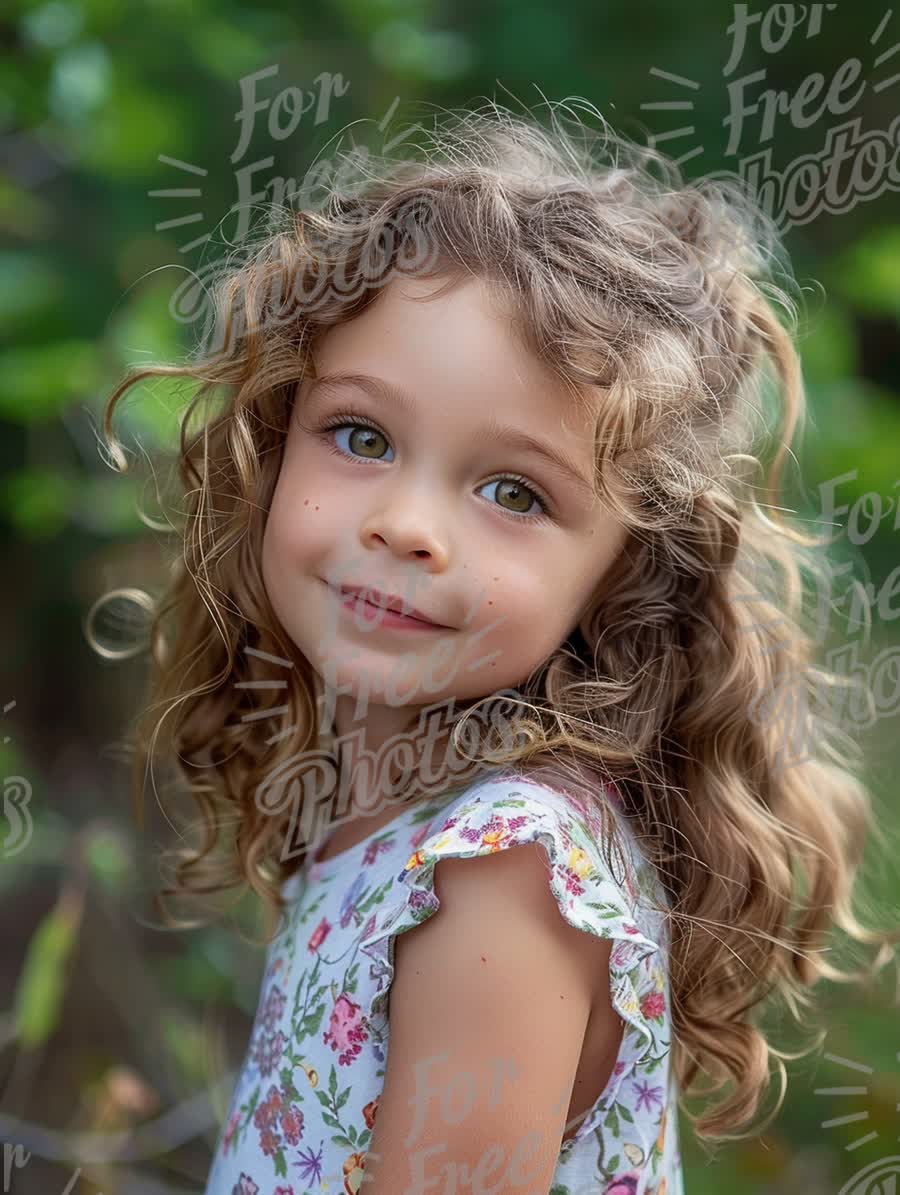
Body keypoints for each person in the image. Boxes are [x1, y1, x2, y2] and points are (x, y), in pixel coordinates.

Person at [97, 100, 897, 1195]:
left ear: (624, 571)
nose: (407, 525)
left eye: (513, 490)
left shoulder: (503, 874)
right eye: (362, 436)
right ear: (274, 438)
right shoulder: (388, 809)